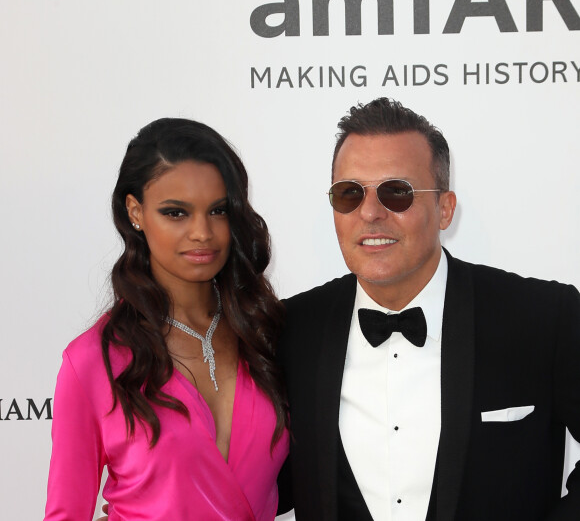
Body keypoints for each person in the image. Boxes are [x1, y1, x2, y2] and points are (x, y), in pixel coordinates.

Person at [277, 97, 580, 520]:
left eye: (396, 193)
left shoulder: (544, 317)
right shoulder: (291, 329)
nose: (369, 213)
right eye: (349, 193)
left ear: (445, 208)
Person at [44, 118, 289, 521]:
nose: (202, 233)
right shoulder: (92, 362)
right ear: (135, 212)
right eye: (176, 213)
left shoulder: (265, 331)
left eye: (218, 210)